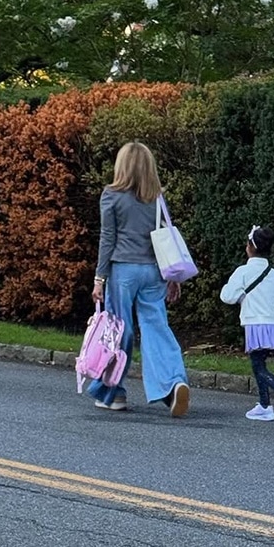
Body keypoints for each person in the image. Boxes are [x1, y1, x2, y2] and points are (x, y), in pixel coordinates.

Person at [89, 141, 190, 417]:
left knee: (119, 330)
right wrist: (172, 277)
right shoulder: (156, 197)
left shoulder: (111, 195)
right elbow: (165, 235)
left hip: (123, 271)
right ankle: (173, 383)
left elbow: (107, 238)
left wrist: (99, 278)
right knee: (156, 327)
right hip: (153, 271)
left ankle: (114, 393)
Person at [220, 225, 274, 422]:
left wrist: (237, 293)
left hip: (254, 324)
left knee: (258, 366)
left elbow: (227, 297)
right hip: (273, 325)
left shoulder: (243, 271)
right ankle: (265, 406)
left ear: (250, 247)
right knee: (259, 363)